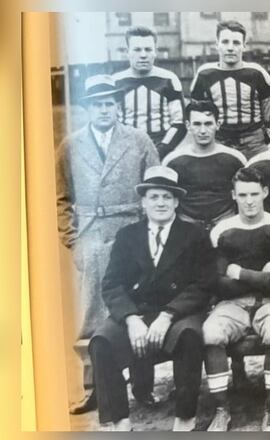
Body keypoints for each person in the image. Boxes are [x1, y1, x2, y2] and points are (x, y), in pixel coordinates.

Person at [56, 74, 160, 414]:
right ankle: (95, 389)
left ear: (118, 106)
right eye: (98, 104)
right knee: (93, 310)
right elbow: (60, 196)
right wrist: (72, 238)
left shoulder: (139, 140)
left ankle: (143, 385)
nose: (104, 109)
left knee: (137, 303)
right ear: (88, 108)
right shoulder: (71, 145)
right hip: (91, 233)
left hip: (131, 230)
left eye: (110, 103)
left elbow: (156, 187)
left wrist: (150, 232)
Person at [89, 166, 215, 431]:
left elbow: (204, 284)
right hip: (137, 311)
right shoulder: (127, 236)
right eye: (154, 197)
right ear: (143, 202)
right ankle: (120, 422)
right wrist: (131, 318)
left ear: (177, 202)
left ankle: (185, 418)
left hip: (179, 312)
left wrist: (168, 315)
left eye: (167, 197)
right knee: (101, 342)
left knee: (190, 337)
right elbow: (112, 284)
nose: (161, 203)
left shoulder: (195, 235)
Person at [202, 167, 270, 431]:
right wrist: (261, 274)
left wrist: (239, 272)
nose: (249, 200)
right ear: (233, 195)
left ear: (265, 192)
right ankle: (221, 408)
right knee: (211, 332)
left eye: (254, 193)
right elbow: (219, 284)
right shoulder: (222, 230)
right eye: (243, 195)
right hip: (233, 303)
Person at [190, 20, 270, 159]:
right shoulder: (205, 75)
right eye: (225, 42)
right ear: (217, 45)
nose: (230, 48)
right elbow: (196, 114)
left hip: (254, 143)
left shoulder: (257, 74)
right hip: (219, 142)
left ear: (244, 45)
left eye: (236, 43)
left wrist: (268, 143)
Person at [162, 100, 247, 231]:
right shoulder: (173, 161)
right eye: (197, 124)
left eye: (208, 124)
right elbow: (166, 200)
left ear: (217, 125)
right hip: (187, 225)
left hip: (225, 224)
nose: (203, 130)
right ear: (188, 126)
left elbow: (246, 195)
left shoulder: (235, 158)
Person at [113, 25, 187, 159]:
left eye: (148, 49)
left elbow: (179, 123)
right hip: (125, 151)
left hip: (162, 149)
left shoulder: (169, 79)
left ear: (155, 52)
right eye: (137, 50)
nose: (143, 55)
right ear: (127, 52)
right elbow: (112, 122)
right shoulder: (116, 82)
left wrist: (161, 151)